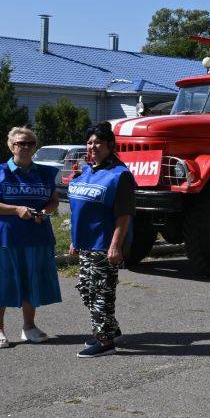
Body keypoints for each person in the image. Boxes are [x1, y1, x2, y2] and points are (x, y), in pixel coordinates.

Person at [0, 127, 62, 348]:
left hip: (36, 236)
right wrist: (16, 210)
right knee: (0, 280)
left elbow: (54, 200)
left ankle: (29, 327)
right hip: (5, 238)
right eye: (21, 143)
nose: (26, 147)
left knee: (31, 279)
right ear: (11, 145)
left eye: (30, 143)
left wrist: (46, 212)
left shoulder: (45, 173)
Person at [68, 122, 135, 357]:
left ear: (109, 145)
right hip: (85, 243)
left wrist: (116, 245)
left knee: (101, 292)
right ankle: (111, 329)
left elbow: (124, 215)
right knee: (86, 290)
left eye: (97, 142)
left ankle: (105, 341)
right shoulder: (88, 170)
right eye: (89, 142)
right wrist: (74, 239)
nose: (92, 146)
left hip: (104, 245)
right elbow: (79, 209)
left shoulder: (120, 175)